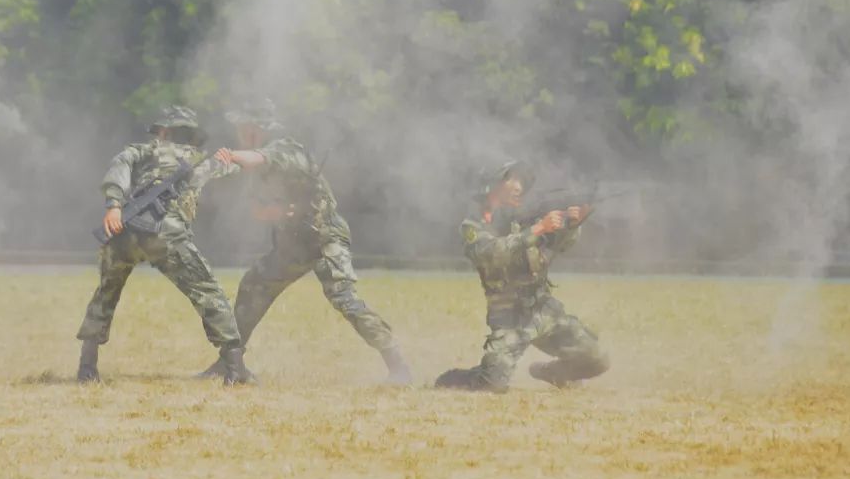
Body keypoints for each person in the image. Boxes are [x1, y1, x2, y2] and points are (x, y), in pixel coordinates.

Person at [196, 99, 412, 384]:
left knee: (345, 299)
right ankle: (229, 362)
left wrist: (230, 156)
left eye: (251, 128)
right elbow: (258, 209)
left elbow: (257, 159)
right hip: (292, 243)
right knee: (254, 285)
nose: (245, 133)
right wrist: (274, 211)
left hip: (325, 238)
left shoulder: (286, 149)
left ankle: (398, 366)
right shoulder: (257, 166)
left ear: (263, 130)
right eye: (242, 128)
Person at [75, 105, 252, 385]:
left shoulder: (142, 151)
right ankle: (234, 366)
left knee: (105, 294)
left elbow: (120, 164)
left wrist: (114, 205)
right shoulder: (197, 158)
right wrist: (229, 157)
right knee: (207, 291)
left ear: (165, 131)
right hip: (166, 234)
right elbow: (231, 166)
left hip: (124, 230)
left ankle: (87, 366)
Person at [435, 160, 609, 392]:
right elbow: (491, 253)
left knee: (596, 359)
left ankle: (552, 374)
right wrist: (538, 230)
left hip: (543, 309)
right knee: (492, 384)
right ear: (493, 183)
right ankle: (455, 379)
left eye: (523, 182)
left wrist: (571, 226)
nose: (519, 187)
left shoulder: (523, 221)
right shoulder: (472, 226)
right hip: (509, 316)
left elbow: (557, 246)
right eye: (512, 179)